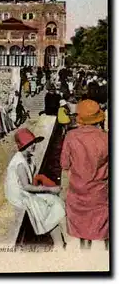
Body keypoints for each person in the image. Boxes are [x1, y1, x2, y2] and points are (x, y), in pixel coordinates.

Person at [4, 128, 66, 248]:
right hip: (18, 194)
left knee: (53, 201)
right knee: (44, 206)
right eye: (29, 144)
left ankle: (58, 240)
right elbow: (26, 186)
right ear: (22, 146)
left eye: (33, 142)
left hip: (23, 190)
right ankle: (58, 242)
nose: (33, 146)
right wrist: (49, 189)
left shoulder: (27, 157)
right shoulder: (20, 163)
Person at [61, 100, 109, 250]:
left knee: (83, 234)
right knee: (104, 234)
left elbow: (64, 164)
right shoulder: (106, 138)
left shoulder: (71, 136)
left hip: (78, 194)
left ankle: (85, 256)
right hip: (100, 195)